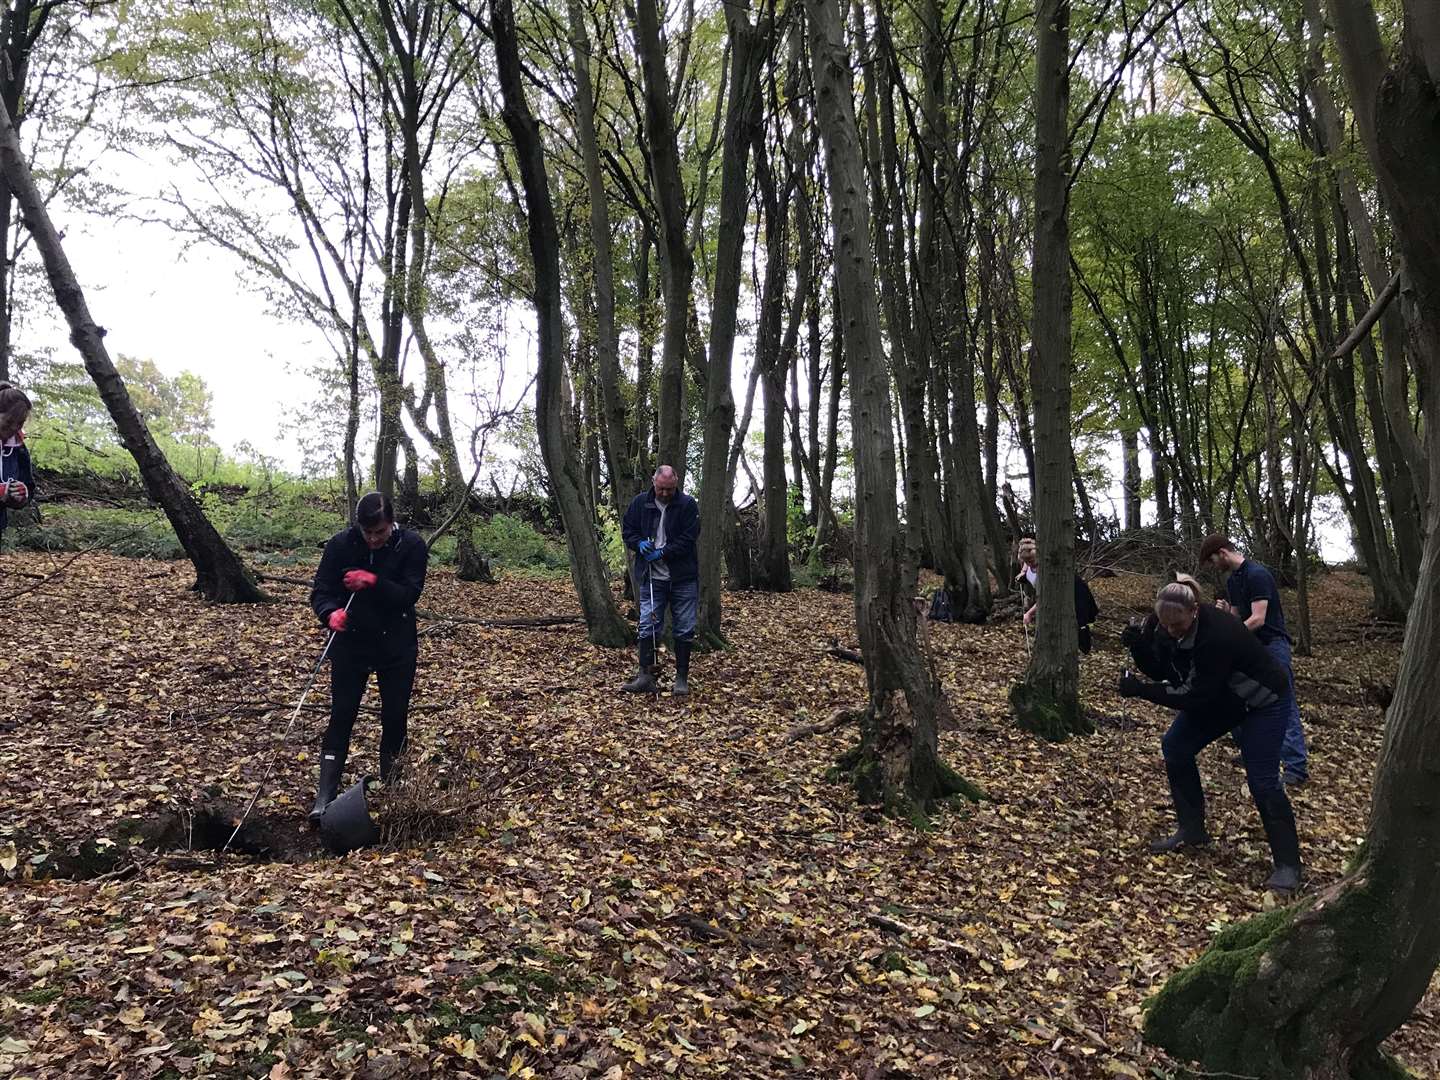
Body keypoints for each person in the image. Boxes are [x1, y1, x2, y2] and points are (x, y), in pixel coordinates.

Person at [1119, 582, 1303, 892]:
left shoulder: (1217, 635)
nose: (1171, 631)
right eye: (1166, 624)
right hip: (1224, 697)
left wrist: (1142, 692)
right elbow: (1163, 668)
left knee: (1262, 781)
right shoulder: (1163, 623)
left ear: (1194, 611)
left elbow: (1194, 696)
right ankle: (1191, 829)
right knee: (1175, 746)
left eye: (1177, 625)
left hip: (1263, 701)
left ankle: (1288, 865)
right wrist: (1139, 647)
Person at [308, 492, 428, 823]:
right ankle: (324, 796)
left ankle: (394, 791)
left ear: (392, 523)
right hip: (351, 645)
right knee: (342, 713)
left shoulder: (412, 546)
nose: (374, 539)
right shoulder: (340, 545)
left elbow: (408, 595)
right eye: (367, 533)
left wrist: (372, 581)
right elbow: (321, 591)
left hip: (397, 647)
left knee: (394, 717)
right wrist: (329, 614)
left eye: (380, 532)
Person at [1198, 534, 1308, 786]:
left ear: (1223, 553)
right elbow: (1239, 619)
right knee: (1240, 698)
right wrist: (1226, 615)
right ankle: (1251, 751)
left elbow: (1258, 619)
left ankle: (1296, 766)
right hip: (1252, 648)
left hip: (1273, 647)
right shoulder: (1234, 580)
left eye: (1213, 560)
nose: (1214, 565)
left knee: (1284, 703)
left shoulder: (1257, 575)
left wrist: (1231, 635)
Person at [621, 465, 700, 696]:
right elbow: (628, 530)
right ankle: (645, 676)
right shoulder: (640, 504)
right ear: (654, 482)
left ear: (676, 485)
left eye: (670, 489)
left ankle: (681, 678)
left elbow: (689, 538)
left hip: (683, 577)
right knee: (647, 624)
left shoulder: (687, 505)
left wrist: (664, 552)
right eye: (661, 488)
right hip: (651, 576)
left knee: (684, 627)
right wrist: (638, 544)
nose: (665, 493)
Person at [1017, 536, 1099, 654]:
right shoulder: (1026, 562)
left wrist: (1029, 613)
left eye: (1032, 561)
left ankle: (1083, 648)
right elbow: (1025, 566)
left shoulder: (1047, 570)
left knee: (1081, 623)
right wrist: (1023, 572)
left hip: (1075, 591)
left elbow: (1045, 598)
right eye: (1026, 562)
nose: (1029, 564)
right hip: (1058, 596)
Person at [0, 382, 35, 547]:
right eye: (8, 421)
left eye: (19, 423)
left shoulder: (18, 448)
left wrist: (21, 496)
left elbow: (28, 484)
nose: (14, 428)